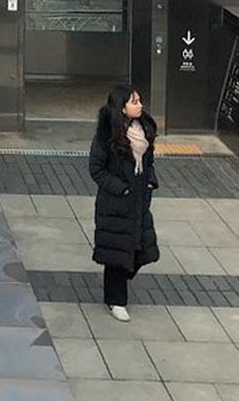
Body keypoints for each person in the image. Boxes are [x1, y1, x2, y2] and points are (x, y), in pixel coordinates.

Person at [89, 84, 160, 323]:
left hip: (139, 201)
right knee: (117, 253)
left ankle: (117, 289)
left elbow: (149, 164)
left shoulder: (145, 130)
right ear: (121, 107)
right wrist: (122, 188)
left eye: (139, 101)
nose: (140, 105)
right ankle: (116, 300)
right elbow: (96, 170)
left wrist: (149, 181)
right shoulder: (107, 135)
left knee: (142, 248)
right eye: (134, 102)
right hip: (116, 204)